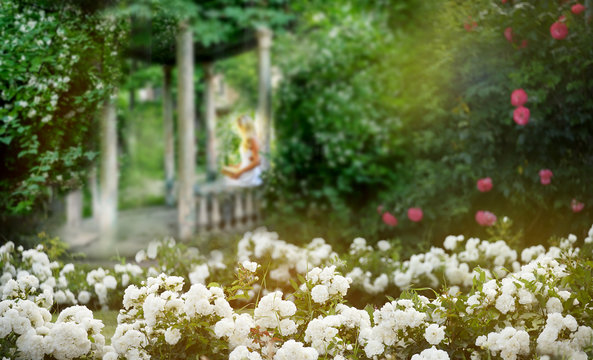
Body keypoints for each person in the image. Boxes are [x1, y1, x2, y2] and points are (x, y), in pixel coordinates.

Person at [221, 115, 263, 187]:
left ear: (246, 127)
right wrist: (235, 166)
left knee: (225, 182)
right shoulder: (247, 140)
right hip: (244, 171)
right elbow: (247, 160)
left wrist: (240, 172)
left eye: (240, 126)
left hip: (250, 175)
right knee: (224, 179)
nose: (239, 129)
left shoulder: (253, 139)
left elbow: (257, 162)